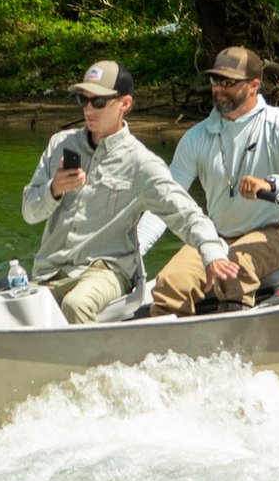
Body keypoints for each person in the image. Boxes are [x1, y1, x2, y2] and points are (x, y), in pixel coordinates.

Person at [21, 59, 238, 324]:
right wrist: (53, 189)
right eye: (83, 99)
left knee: (76, 304)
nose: (89, 108)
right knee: (11, 308)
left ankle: (90, 366)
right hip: (48, 272)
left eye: (98, 101)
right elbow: (29, 213)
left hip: (107, 271)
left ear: (124, 104)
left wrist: (212, 253)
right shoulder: (59, 144)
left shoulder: (142, 164)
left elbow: (186, 214)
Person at [141, 47, 279, 315]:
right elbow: (167, 202)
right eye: (215, 80)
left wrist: (273, 184)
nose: (218, 89)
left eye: (228, 82)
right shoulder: (196, 138)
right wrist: (136, 251)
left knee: (235, 268)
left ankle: (234, 347)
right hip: (219, 236)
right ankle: (165, 350)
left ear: (254, 85)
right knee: (169, 281)